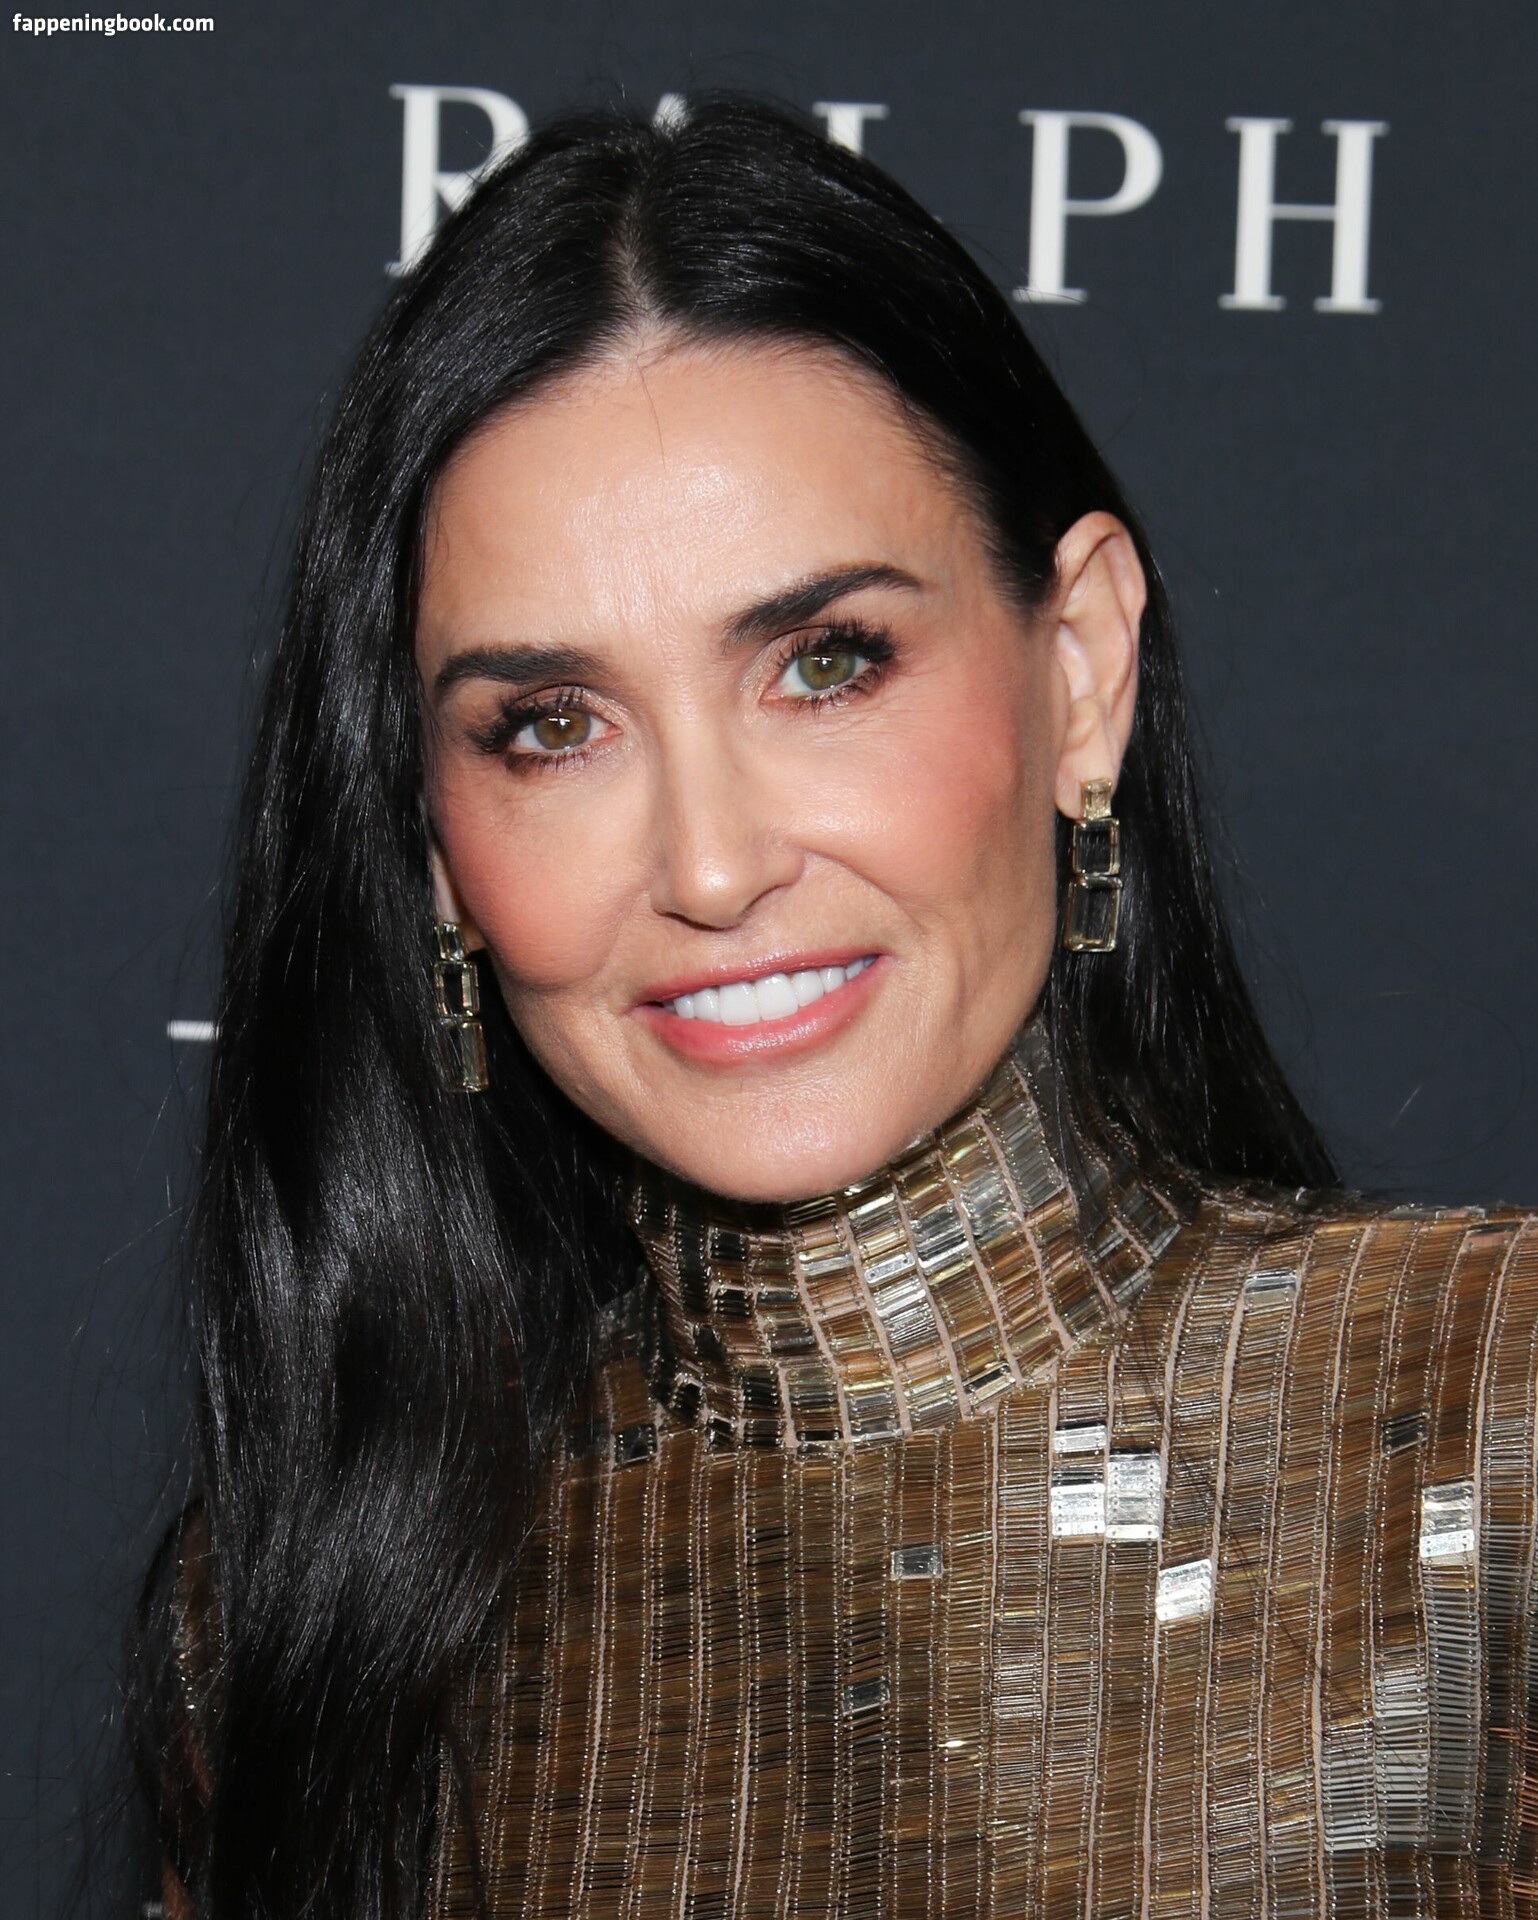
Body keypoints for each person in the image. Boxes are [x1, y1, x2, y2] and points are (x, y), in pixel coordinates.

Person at [134, 94, 1538, 1920]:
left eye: (823, 664)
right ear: (432, 845)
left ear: (1079, 668)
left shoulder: (1497, 1422)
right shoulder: (297, 1614)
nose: (712, 865)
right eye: (550, 726)